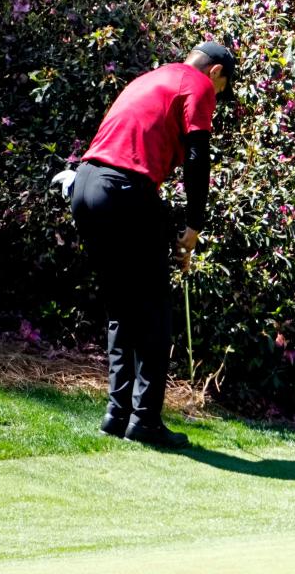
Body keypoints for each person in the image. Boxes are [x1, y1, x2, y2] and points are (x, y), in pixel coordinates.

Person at [69, 41, 235, 448]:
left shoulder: (152, 78)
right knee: (156, 311)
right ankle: (144, 420)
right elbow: (199, 157)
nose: (215, 99)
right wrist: (194, 225)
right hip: (124, 190)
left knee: (122, 306)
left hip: (86, 185)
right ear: (215, 72)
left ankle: (117, 414)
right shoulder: (195, 83)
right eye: (221, 90)